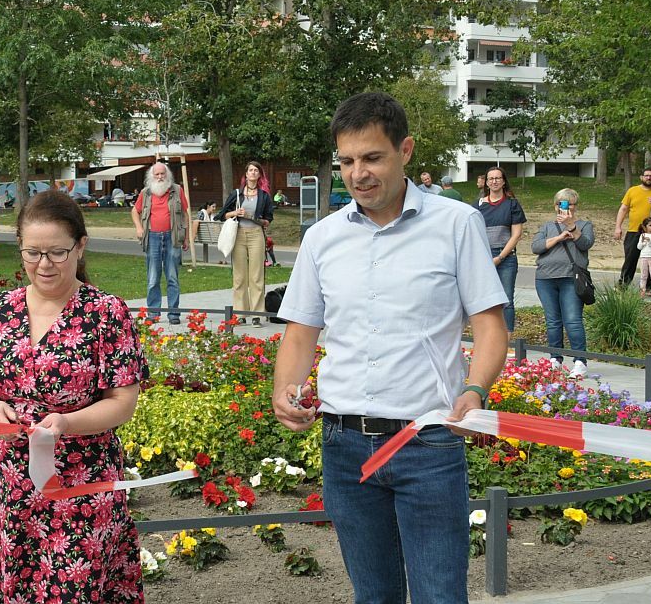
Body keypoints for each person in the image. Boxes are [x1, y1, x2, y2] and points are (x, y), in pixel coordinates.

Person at [271, 91, 508, 604]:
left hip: (428, 443)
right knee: (373, 597)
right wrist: (285, 392)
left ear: (406, 150)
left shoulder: (456, 223)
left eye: (372, 157)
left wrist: (475, 390)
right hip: (345, 445)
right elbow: (300, 332)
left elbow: (490, 326)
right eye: (347, 161)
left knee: (439, 596)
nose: (358, 173)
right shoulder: (322, 238)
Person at [0, 190, 145, 603]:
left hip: (82, 488)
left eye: (57, 253)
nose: (43, 265)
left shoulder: (106, 313)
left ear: (81, 246)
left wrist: (67, 423)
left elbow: (122, 402)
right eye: (31, 253)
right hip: (13, 490)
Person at [531, 188, 594, 378]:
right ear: (555, 206)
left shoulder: (584, 225)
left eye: (569, 204)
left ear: (575, 206)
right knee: (552, 320)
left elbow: (585, 244)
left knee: (573, 320)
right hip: (545, 278)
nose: (565, 207)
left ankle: (580, 361)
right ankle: (554, 359)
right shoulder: (547, 226)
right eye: (561, 204)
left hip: (570, 277)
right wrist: (559, 237)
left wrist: (572, 227)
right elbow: (536, 246)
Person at [216, 161, 275, 327]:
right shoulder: (236, 194)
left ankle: (256, 314)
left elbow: (269, 219)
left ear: (259, 175)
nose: (253, 173)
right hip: (239, 234)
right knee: (240, 276)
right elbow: (221, 215)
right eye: (251, 170)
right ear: (246, 174)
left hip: (256, 234)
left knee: (256, 276)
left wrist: (260, 220)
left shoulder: (264, 196)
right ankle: (240, 313)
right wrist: (236, 212)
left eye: (256, 170)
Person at [131, 162, 189, 325]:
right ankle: (153, 314)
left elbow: (185, 215)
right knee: (153, 278)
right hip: (153, 238)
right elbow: (135, 211)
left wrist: (185, 237)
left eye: (162, 174)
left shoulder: (177, 190)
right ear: (152, 176)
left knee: (172, 277)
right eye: (157, 174)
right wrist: (139, 228)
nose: (160, 177)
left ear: (167, 174)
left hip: (173, 238)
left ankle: (173, 314)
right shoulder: (146, 193)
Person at [477, 166, 527, 332]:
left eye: (498, 178)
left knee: (506, 301)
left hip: (506, 258)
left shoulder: (512, 204)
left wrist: (500, 258)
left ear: (504, 181)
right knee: (484, 301)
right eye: (491, 178)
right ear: (486, 182)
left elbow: (517, 234)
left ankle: (507, 345)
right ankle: (488, 339)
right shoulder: (478, 206)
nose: (494, 181)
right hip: (484, 257)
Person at [614, 167, 651, 290]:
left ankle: (647, 287)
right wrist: (618, 227)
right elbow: (623, 209)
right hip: (634, 231)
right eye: (646, 175)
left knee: (650, 260)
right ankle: (622, 285)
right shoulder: (632, 191)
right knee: (630, 260)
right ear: (641, 177)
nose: (649, 178)